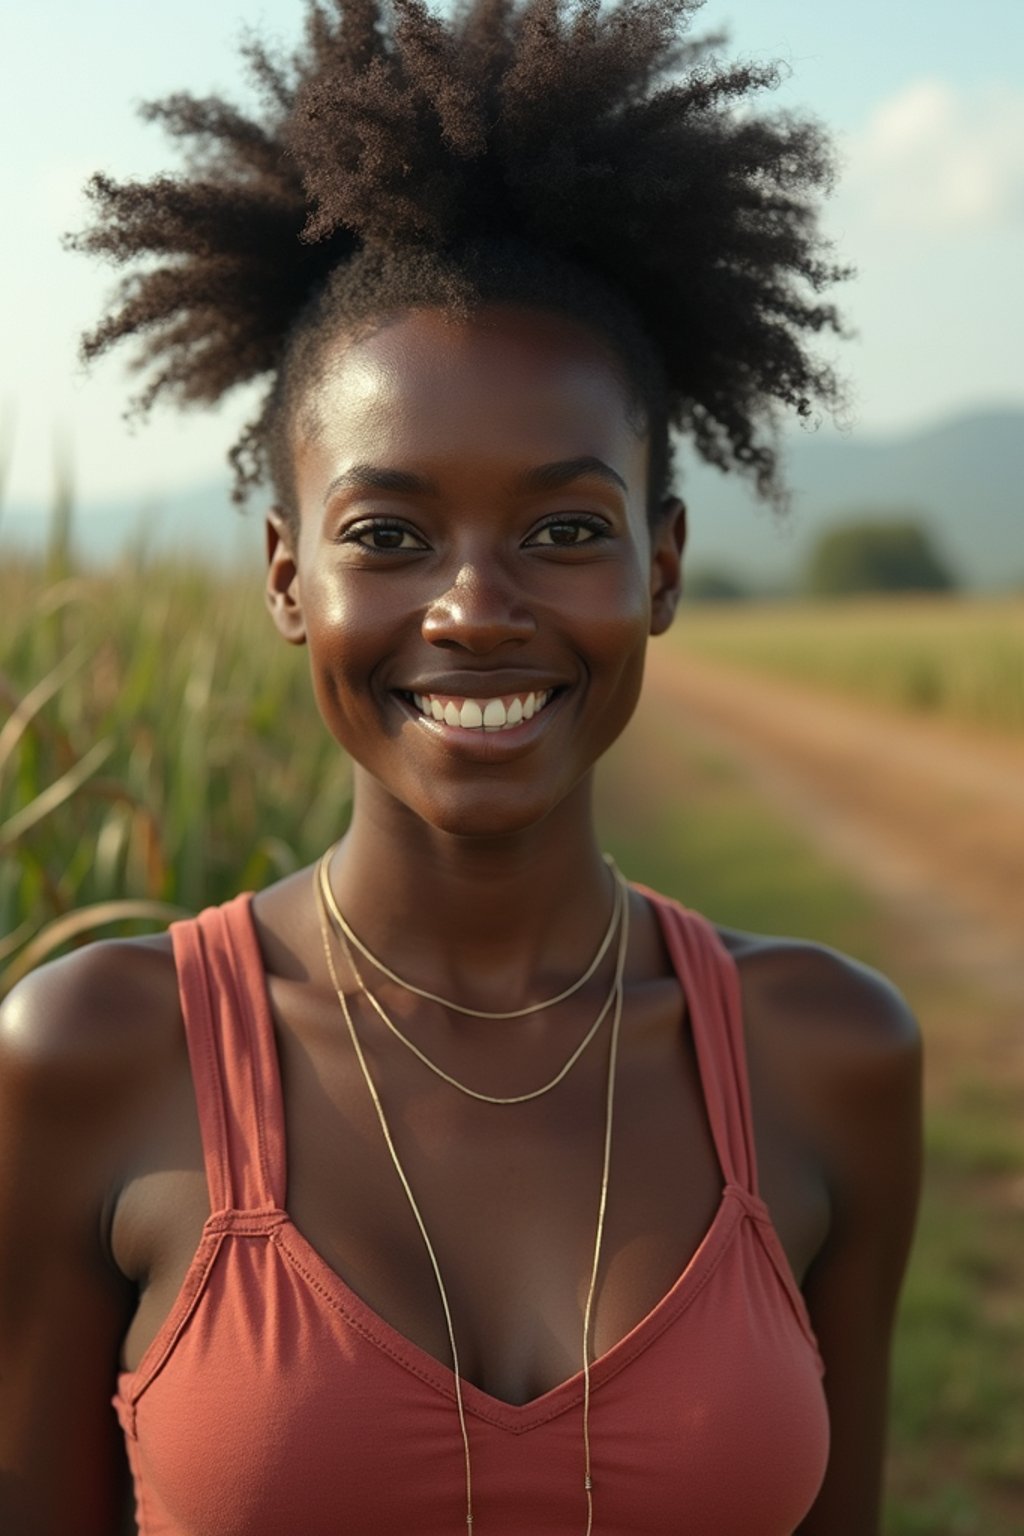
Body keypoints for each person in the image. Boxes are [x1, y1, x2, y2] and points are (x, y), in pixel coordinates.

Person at [0, 1, 922, 1532]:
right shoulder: (93, 1060)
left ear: (664, 567)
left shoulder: (827, 1060)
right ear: (289, 577)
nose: (476, 609)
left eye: (566, 529)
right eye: (389, 535)